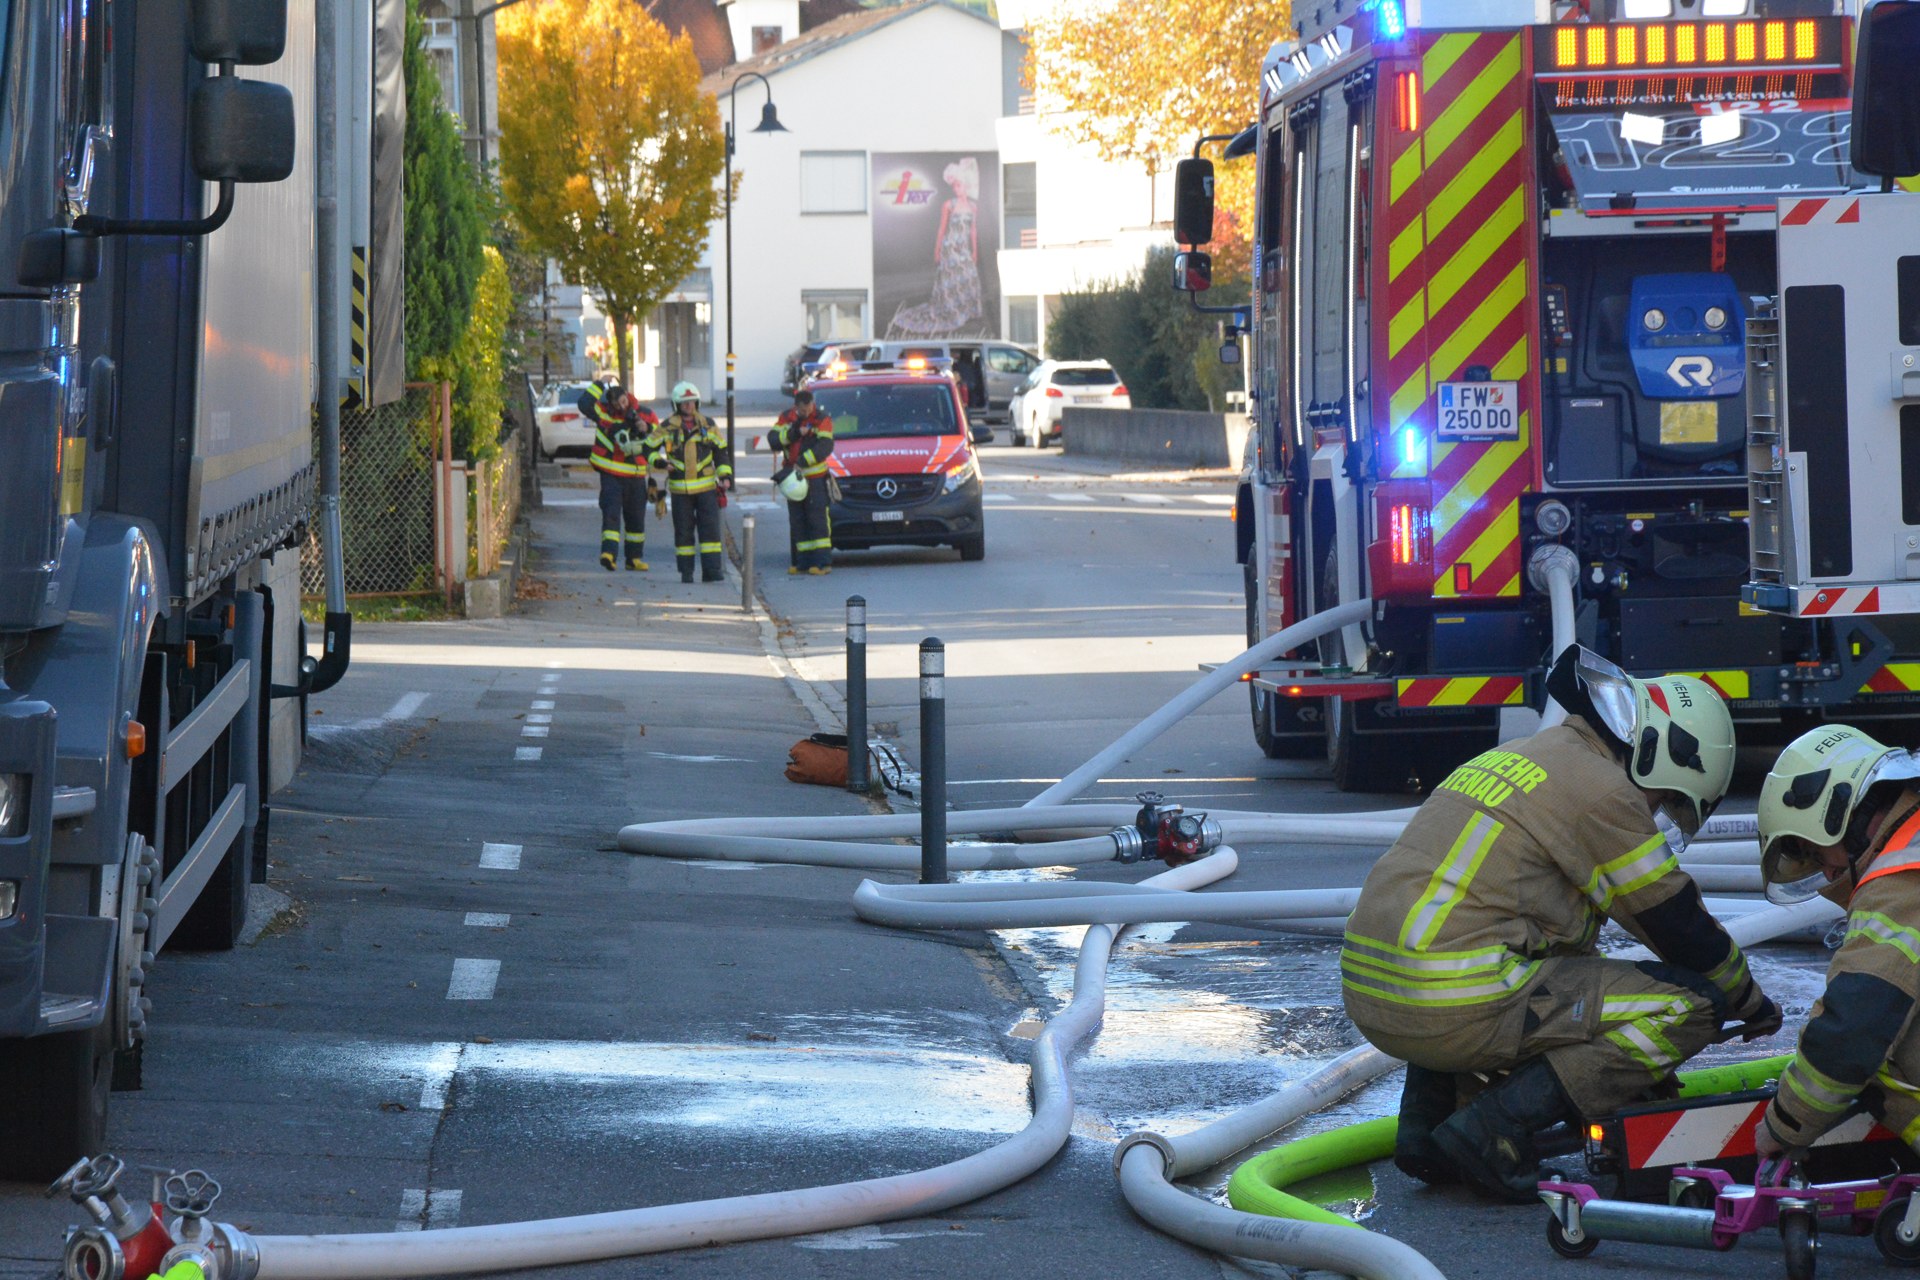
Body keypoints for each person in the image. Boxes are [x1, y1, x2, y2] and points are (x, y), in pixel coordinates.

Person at [1340, 645, 1780, 1203]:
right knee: (1691, 1004)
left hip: (1376, 998)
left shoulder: (1522, 756)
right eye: (1667, 799)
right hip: (1456, 1001)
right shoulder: (1604, 792)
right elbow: (1677, 924)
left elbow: (1558, 957)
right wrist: (1747, 1001)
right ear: (1662, 756)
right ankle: (1492, 1130)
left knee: (1539, 977)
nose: (1654, 814)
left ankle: (1427, 1131)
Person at [1752, 725, 1920, 1160]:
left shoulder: (1899, 879)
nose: (1827, 873)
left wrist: (1784, 1125)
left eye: (1815, 852)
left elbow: (1852, 1028)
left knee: (1876, 1054)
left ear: (1839, 815)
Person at [885, 158, 985, 340]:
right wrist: (937, 250)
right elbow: (941, 228)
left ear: (965, 186)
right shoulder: (949, 205)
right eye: (954, 186)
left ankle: (967, 310)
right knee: (951, 279)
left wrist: (975, 250)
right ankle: (951, 310)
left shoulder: (973, 207)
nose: (957, 189)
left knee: (969, 276)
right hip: (950, 247)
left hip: (963, 247)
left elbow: (973, 229)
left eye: (959, 185)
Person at [645, 382, 731, 584]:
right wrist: (659, 462)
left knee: (710, 530)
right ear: (676, 405)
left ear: (697, 403)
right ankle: (686, 572)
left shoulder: (708, 425)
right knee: (683, 532)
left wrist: (725, 476)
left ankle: (712, 571)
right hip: (680, 491)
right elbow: (647, 448)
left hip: (706, 489)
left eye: (692, 402)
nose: (689, 406)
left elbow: (721, 451)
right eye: (684, 403)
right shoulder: (667, 427)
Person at [584, 382, 656, 571]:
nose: (622, 407)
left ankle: (634, 558)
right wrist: (600, 383)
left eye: (623, 401)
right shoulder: (604, 413)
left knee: (636, 519)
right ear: (611, 404)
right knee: (611, 514)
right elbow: (584, 403)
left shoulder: (645, 413)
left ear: (627, 395)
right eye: (617, 405)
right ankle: (609, 554)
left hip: (636, 476)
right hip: (611, 475)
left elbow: (659, 436)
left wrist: (646, 428)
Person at [768, 387, 835, 575]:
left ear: (813, 404)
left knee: (817, 521)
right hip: (793, 479)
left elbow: (825, 446)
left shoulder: (822, 419)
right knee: (798, 521)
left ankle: (822, 563)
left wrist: (802, 461)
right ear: (796, 407)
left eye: (809, 408)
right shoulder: (786, 418)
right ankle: (802, 562)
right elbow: (773, 439)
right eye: (803, 410)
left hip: (815, 478)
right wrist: (795, 433)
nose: (806, 412)